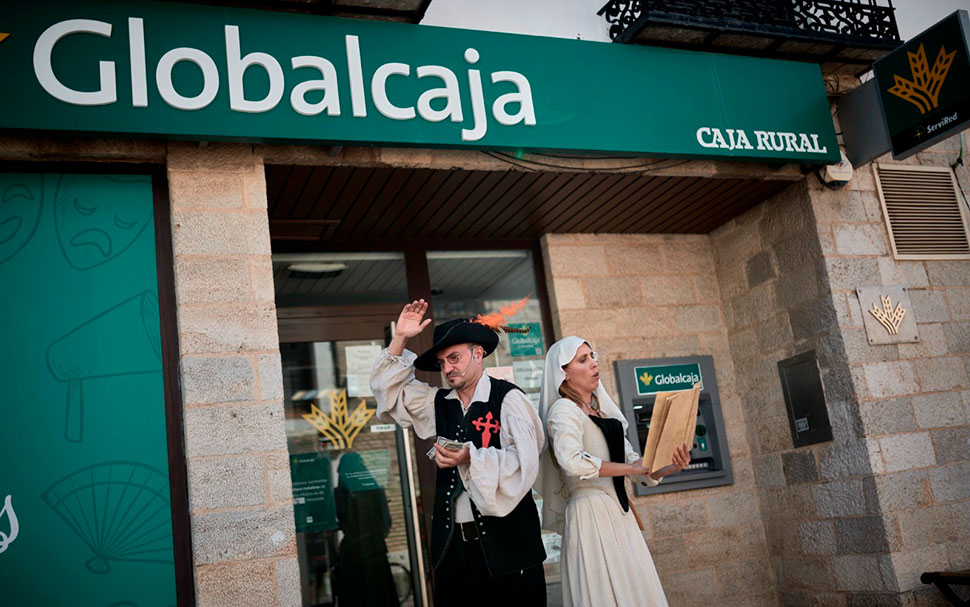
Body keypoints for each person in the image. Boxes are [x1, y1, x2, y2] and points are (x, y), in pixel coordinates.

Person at [370, 299, 547, 607]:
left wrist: (470, 458)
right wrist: (399, 338)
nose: (447, 368)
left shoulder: (509, 400)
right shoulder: (439, 403)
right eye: (442, 363)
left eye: (454, 358)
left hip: (508, 552)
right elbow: (391, 395)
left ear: (478, 354)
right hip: (455, 552)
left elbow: (526, 464)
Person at [537, 336, 690, 607]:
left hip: (620, 516)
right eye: (583, 360)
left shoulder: (603, 413)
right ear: (565, 374)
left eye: (593, 356)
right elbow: (571, 460)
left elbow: (640, 469)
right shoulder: (562, 411)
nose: (594, 363)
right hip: (590, 515)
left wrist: (670, 465)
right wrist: (633, 467)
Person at [333, 452, 398, 607]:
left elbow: (339, 522)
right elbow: (386, 523)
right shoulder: (375, 488)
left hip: (352, 554)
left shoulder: (340, 493)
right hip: (375, 551)